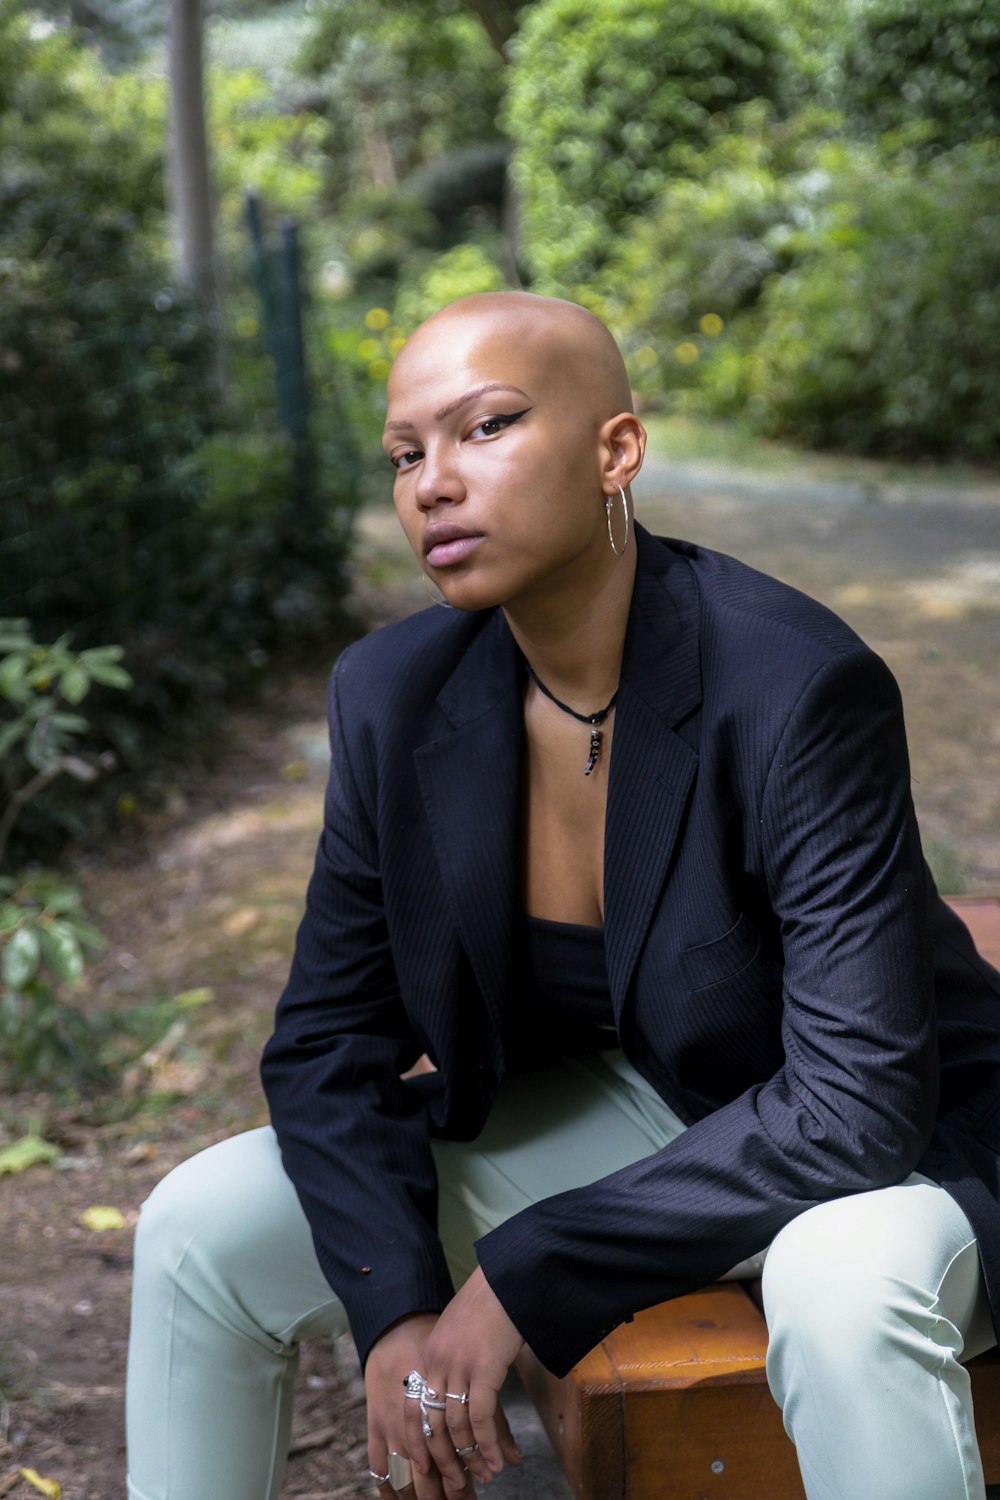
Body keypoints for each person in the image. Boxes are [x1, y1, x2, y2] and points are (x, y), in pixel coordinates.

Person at [126, 292, 1000, 1500]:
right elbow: (328, 1041)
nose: (432, 481)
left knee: (840, 1285)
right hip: (650, 1112)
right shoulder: (394, 697)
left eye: (484, 428)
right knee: (199, 1226)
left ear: (616, 452)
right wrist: (394, 1320)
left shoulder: (793, 686)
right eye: (404, 454)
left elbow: (854, 1101)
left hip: (895, 1147)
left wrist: (512, 1282)